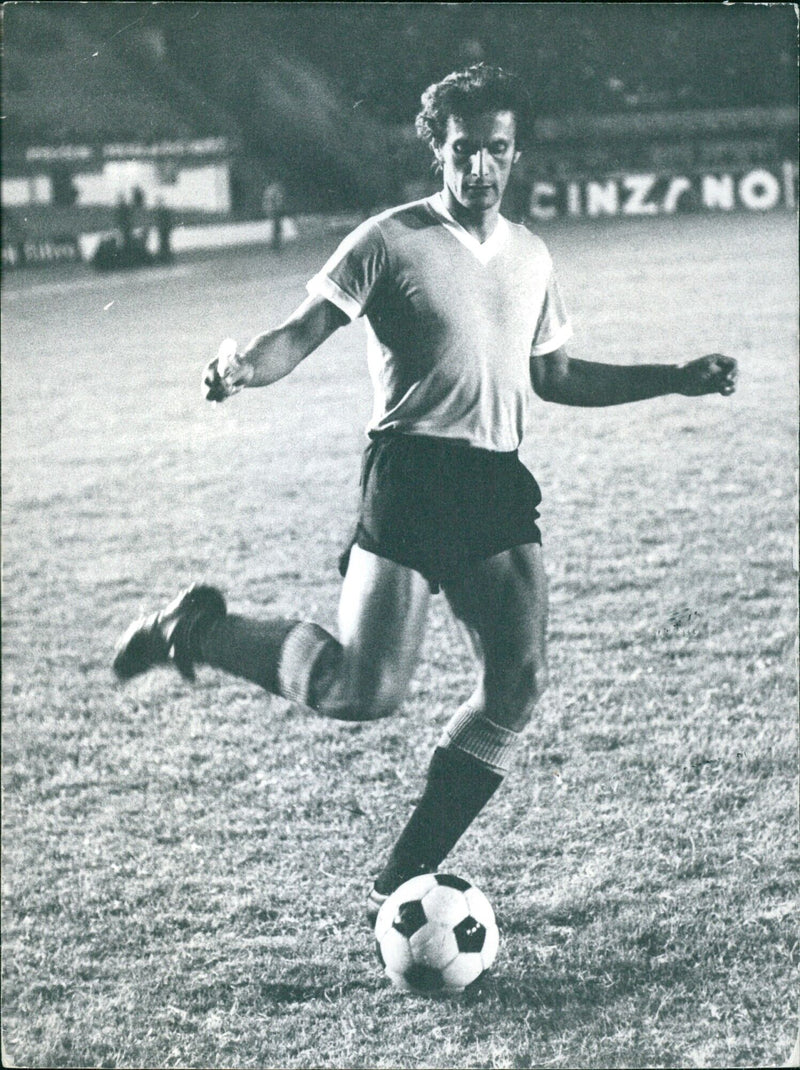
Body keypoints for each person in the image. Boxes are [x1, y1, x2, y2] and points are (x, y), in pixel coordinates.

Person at [113, 64, 738, 923]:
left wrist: (675, 377)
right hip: (411, 475)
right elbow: (303, 331)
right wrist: (241, 369)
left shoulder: (532, 255)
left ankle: (402, 876)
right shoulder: (389, 239)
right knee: (359, 692)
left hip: (495, 477)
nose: (480, 167)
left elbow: (555, 376)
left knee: (517, 683)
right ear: (436, 148)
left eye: (496, 150)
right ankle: (202, 629)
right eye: (463, 150)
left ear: (515, 153)